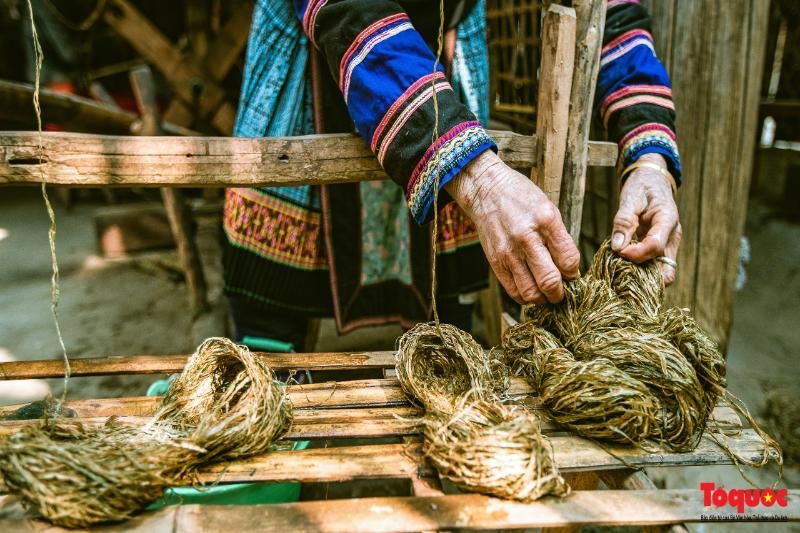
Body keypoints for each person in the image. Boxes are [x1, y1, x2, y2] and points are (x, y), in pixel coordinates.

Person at [221, 0, 681, 349]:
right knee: (272, 326)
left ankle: (448, 400)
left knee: (446, 316)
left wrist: (649, 156)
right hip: (314, 60)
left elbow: (605, 10)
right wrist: (478, 178)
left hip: (446, 51)